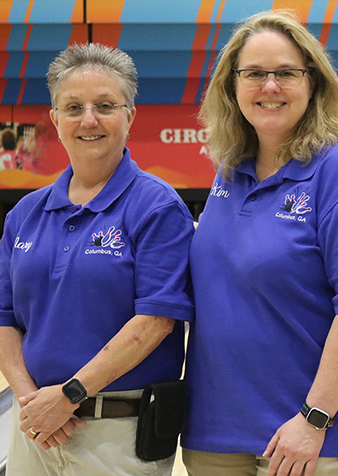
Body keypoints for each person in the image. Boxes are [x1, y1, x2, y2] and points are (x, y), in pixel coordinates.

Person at [181, 9, 338, 476]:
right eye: (254, 74)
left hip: (310, 439)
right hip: (215, 432)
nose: (269, 86)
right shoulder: (229, 173)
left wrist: (314, 419)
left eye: (286, 73)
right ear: (231, 87)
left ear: (314, 83)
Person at [0, 43, 194, 475]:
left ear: (129, 115)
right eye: (74, 107)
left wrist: (69, 394)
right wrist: (32, 402)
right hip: (35, 427)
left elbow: (157, 321)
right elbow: (4, 318)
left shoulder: (156, 207)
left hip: (119, 434)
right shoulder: (24, 214)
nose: (89, 119)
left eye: (105, 105)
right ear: (54, 118)